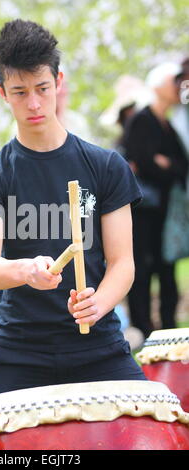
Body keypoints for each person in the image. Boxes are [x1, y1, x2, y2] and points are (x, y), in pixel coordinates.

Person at [0, 19, 146, 447]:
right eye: (20, 92)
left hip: (98, 346)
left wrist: (98, 303)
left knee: (157, 432)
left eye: (42, 88)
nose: (34, 103)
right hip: (20, 348)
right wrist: (25, 269)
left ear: (58, 82)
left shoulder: (104, 166)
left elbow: (122, 263)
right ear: (1, 92)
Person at [122, 62, 189, 338]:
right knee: (141, 267)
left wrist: (166, 164)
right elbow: (144, 162)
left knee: (166, 267)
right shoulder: (142, 119)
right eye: (174, 81)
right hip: (143, 211)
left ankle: (169, 326)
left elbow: (180, 165)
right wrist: (162, 165)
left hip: (165, 212)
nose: (178, 87)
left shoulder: (169, 124)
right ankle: (143, 327)